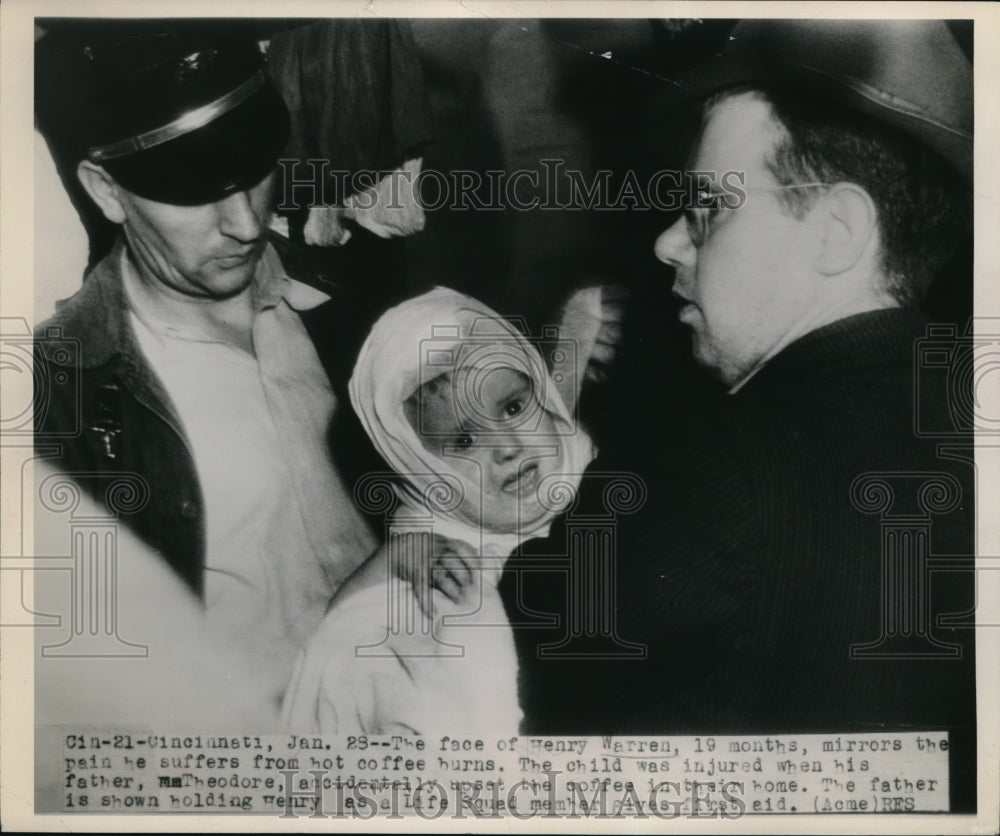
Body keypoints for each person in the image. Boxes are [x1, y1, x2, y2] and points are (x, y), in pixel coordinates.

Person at [502, 18, 976, 810]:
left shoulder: (724, 462)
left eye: (708, 212)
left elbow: (523, 625)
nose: (666, 244)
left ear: (838, 232)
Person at [32, 21, 378, 712]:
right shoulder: (57, 403)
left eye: (253, 169)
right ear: (105, 190)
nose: (247, 224)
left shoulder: (352, 305)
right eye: (191, 189)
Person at [280, 288, 594, 734]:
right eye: (464, 442)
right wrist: (401, 557)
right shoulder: (437, 540)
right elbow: (341, 629)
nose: (507, 448)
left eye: (514, 407)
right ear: (418, 462)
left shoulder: (578, 450)